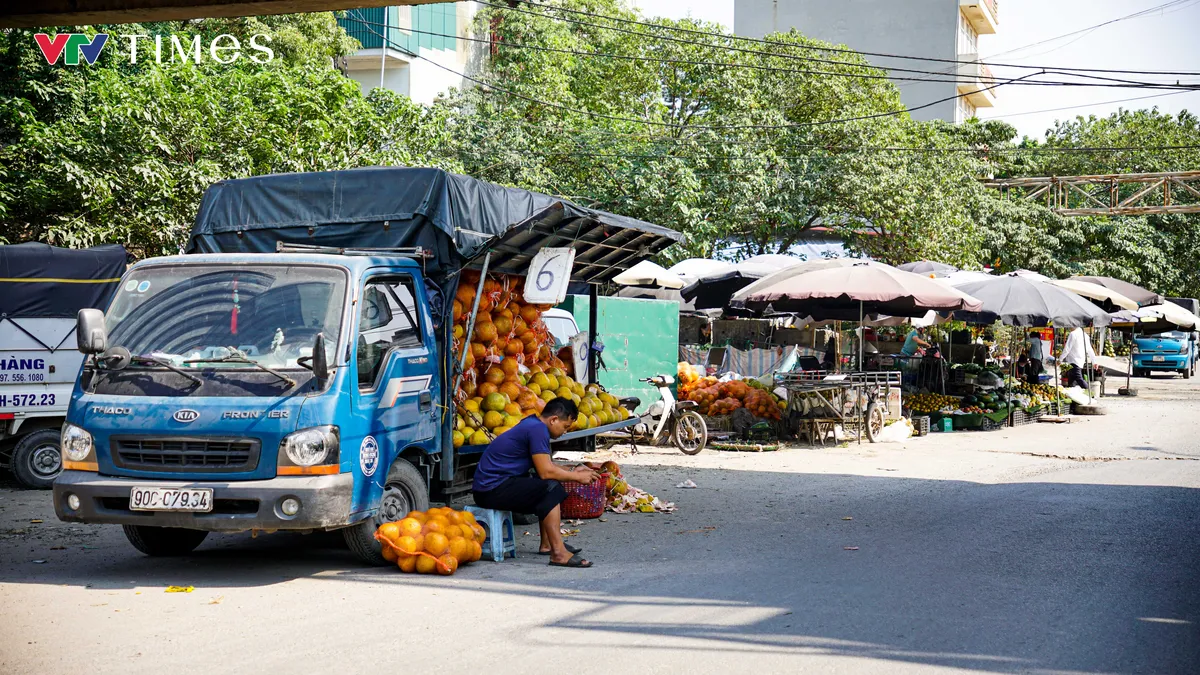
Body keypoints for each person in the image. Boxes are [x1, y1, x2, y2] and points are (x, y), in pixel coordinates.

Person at [472, 397, 598, 568]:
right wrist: (577, 477)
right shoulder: (538, 429)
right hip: (490, 490)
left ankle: (547, 544)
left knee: (548, 484)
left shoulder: (533, 424)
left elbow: (545, 466)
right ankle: (558, 553)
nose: (565, 432)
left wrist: (572, 470)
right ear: (554, 420)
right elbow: (546, 472)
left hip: (494, 486)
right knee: (551, 488)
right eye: (565, 426)